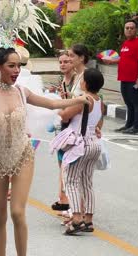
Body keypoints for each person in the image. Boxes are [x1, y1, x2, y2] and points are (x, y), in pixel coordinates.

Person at [0, 47, 88, 256]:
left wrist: (79, 100)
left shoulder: (22, 92)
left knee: (17, 212)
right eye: (11, 66)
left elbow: (51, 104)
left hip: (23, 155)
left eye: (19, 66)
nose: (16, 70)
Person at [50, 68, 104, 235]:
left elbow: (65, 116)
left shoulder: (83, 100)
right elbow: (96, 123)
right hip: (94, 144)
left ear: (85, 83)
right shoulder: (99, 101)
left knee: (71, 181)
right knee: (87, 182)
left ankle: (76, 218)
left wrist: (56, 108)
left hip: (80, 145)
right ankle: (88, 219)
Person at [103, 20, 138, 135]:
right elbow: (123, 59)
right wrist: (111, 60)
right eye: (127, 28)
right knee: (128, 102)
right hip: (124, 78)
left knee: (136, 103)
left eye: (131, 28)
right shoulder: (125, 43)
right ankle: (129, 124)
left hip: (134, 78)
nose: (129, 30)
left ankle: (136, 127)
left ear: (136, 30)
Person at [49, 51, 75, 212]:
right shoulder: (61, 81)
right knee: (61, 164)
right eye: (61, 62)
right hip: (60, 127)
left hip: (72, 126)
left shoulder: (76, 82)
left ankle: (72, 203)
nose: (63, 64)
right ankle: (63, 198)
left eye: (66, 61)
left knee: (70, 166)